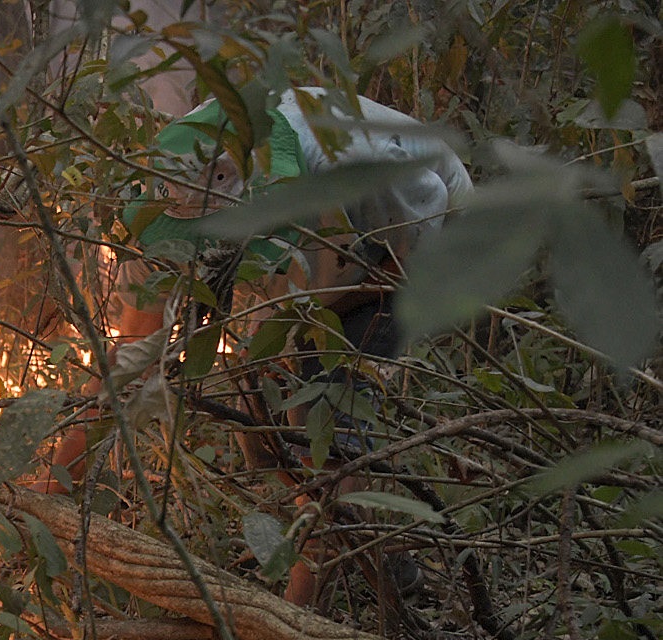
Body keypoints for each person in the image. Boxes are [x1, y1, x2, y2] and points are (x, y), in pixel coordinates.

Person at [51, 87, 472, 606]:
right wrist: (49, 494)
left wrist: (304, 328)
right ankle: (376, 556)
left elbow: (410, 253)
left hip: (406, 244)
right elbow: (132, 352)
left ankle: (298, 623)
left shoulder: (352, 164)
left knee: (326, 434)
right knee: (263, 427)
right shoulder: (169, 188)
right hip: (317, 260)